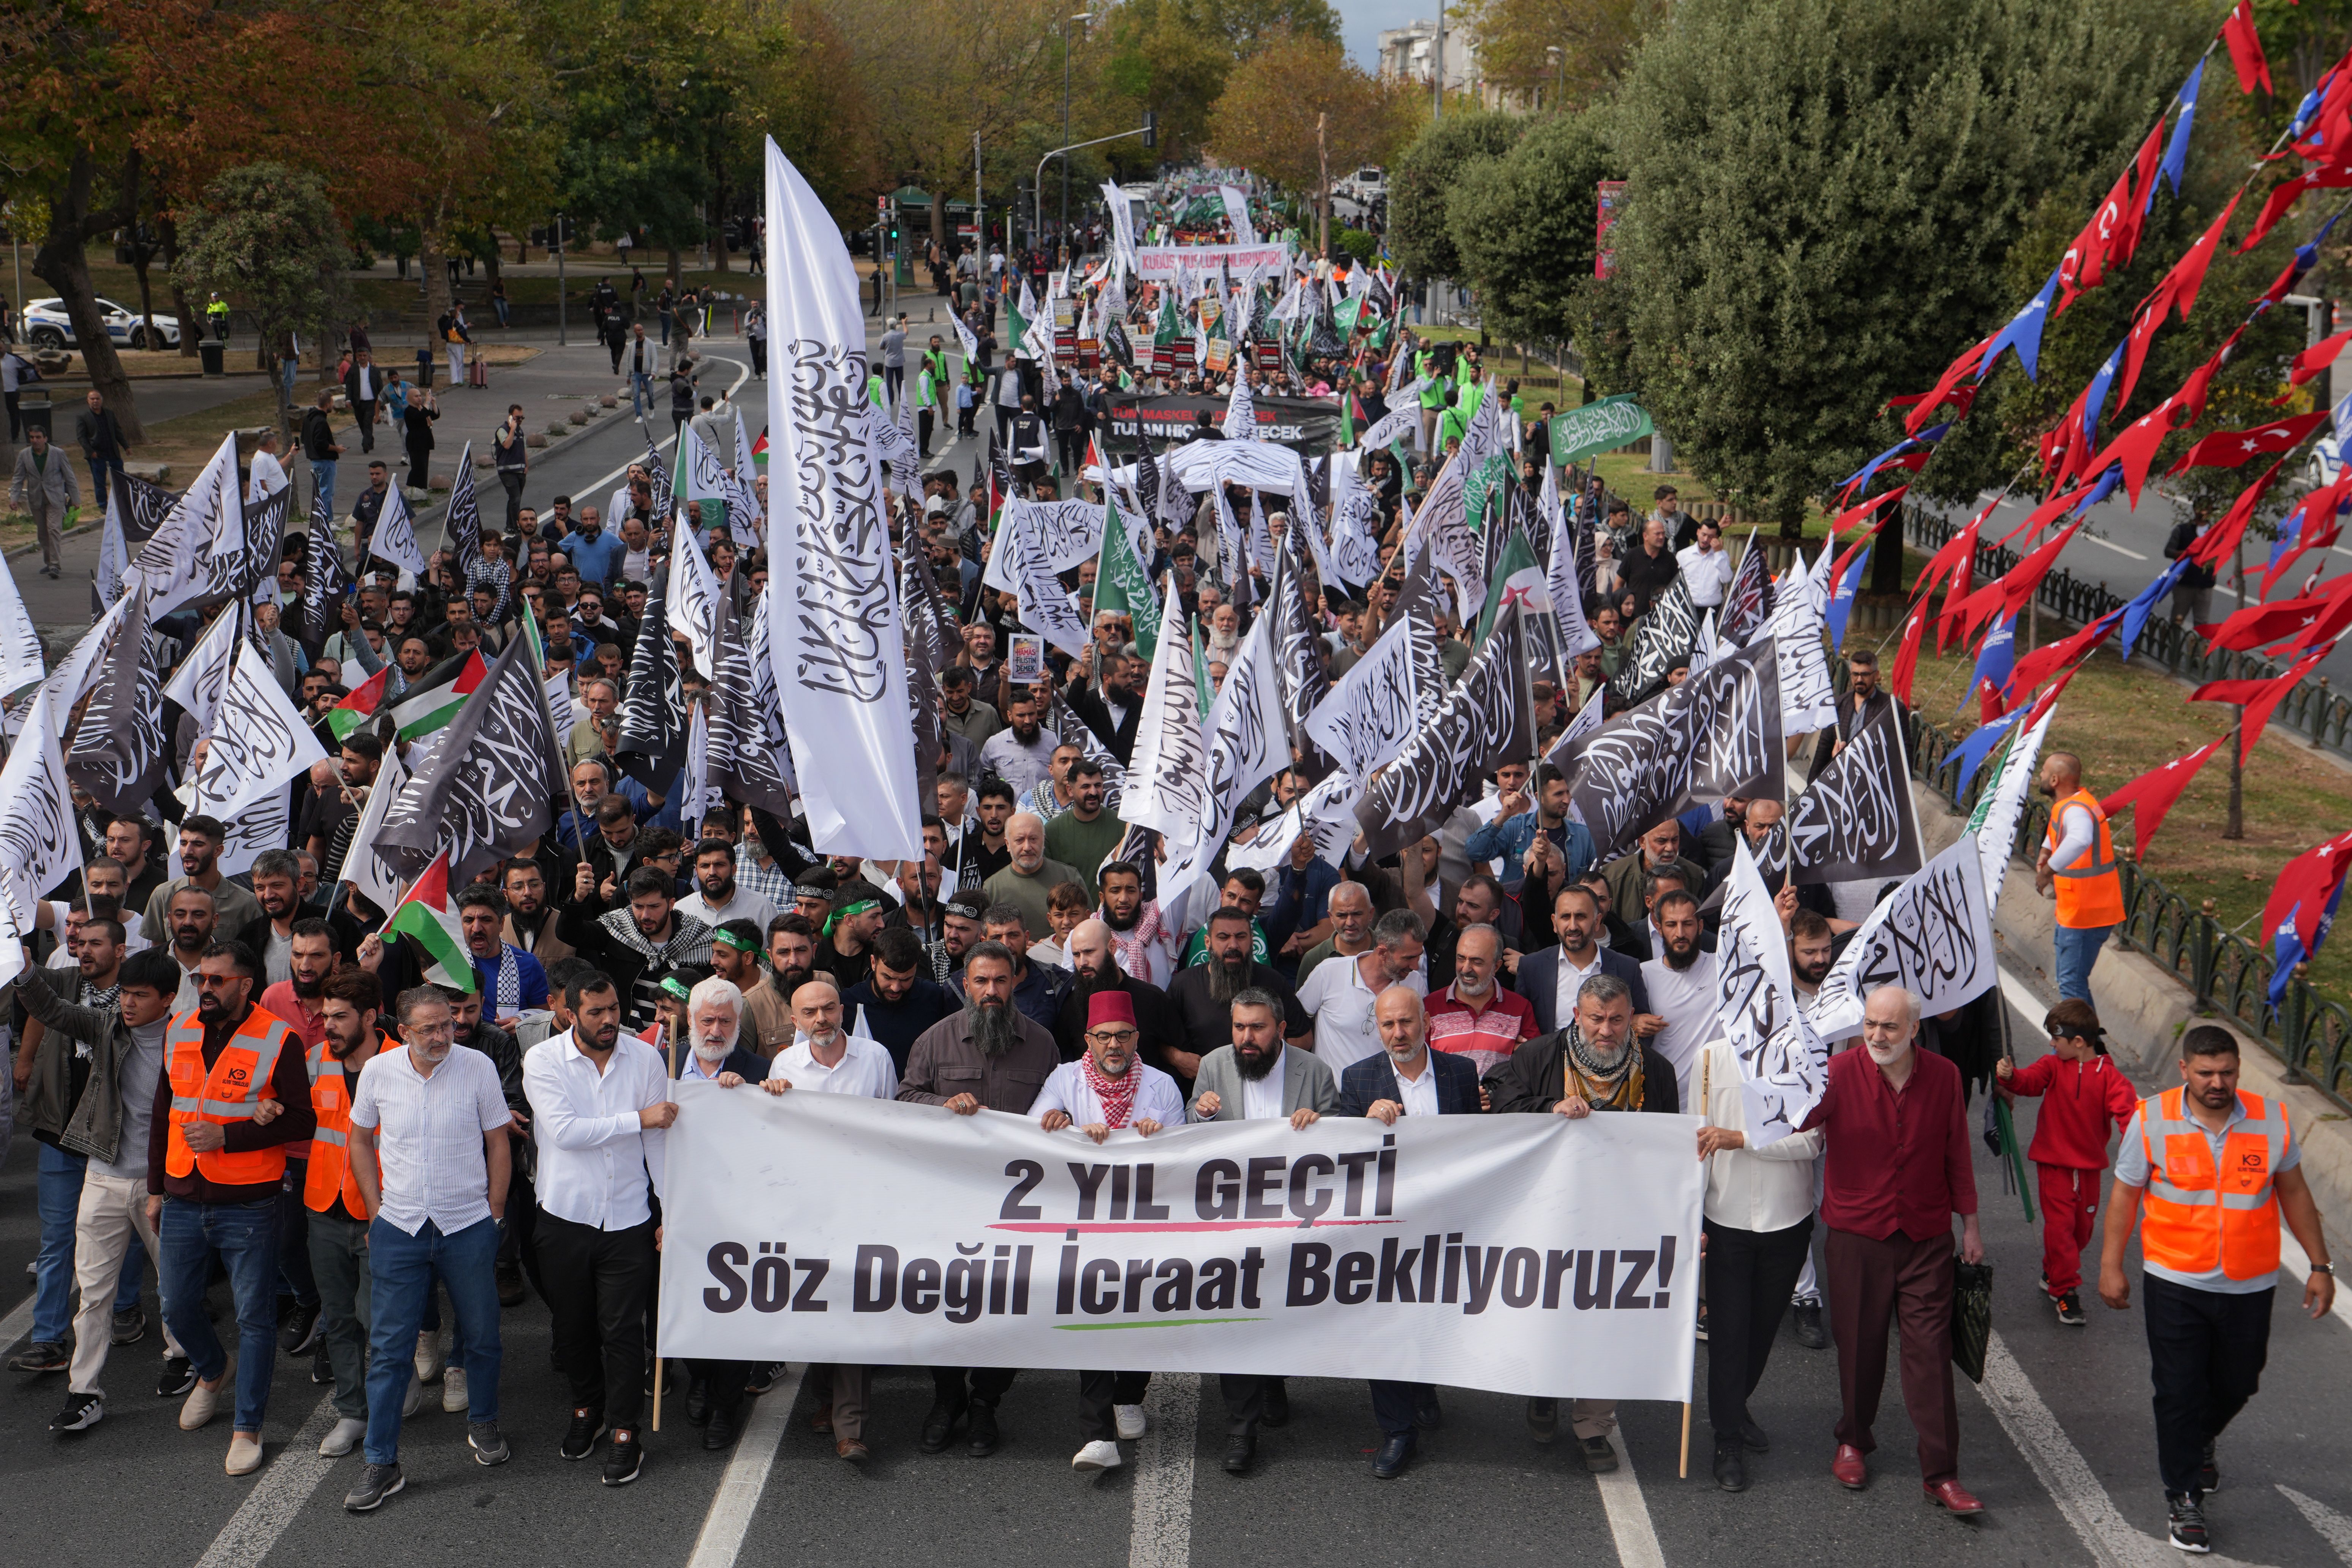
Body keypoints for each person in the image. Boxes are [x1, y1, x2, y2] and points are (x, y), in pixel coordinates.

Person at [2097, 1026, 2335, 1554]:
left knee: (2239, 1382)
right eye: (2206, 1073)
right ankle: (2183, 1496)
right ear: (2184, 1070)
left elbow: (2294, 1192)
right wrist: (2111, 1265)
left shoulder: (2271, 1120)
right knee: (2178, 1390)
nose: (2218, 1083)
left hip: (2250, 1284)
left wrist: (2321, 1265)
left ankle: (2199, 1438)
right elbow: (2124, 1196)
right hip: (2176, 1281)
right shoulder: (2151, 1119)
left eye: (2227, 1072)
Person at [1800, 986, 1983, 1514]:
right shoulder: (1837, 1074)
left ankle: (1942, 1473)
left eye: (1890, 1027)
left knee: (1931, 1356)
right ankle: (1854, 1440)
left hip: (1927, 1239)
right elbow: (1797, 1120)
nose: (1878, 1036)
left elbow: (1958, 1155)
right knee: (1860, 1348)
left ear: (1914, 1031)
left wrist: (1970, 1226)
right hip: (1857, 1238)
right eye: (1871, 1025)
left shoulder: (1945, 1078)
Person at [1487, 973, 1680, 1468]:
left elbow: (1669, 1152)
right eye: (1596, 1019)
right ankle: (1544, 1391)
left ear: (1631, 1019)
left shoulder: (1655, 1072)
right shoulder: (1537, 1058)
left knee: (1607, 1322)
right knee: (1550, 1314)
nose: (1607, 1031)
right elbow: (1501, 1112)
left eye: (1618, 1020)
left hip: (1623, 1219)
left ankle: (1595, 1426)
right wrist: (1549, 1109)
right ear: (1577, 1016)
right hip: (1549, 1216)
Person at [339, 985, 514, 1510]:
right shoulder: (378, 1072)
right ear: (403, 1031)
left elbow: (498, 1141)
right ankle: (381, 1461)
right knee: (391, 1351)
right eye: (431, 1028)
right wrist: (376, 1211)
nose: (444, 1035)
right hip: (401, 1226)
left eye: (449, 1024)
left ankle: (482, 1423)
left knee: (482, 1336)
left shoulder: (478, 1067)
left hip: (468, 1224)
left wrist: (496, 1213)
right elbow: (360, 1140)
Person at [147, 940, 315, 1476]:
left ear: (246, 984)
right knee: (175, 1307)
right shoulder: (180, 1029)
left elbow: (301, 1122)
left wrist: (228, 1135)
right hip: (180, 1195)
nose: (206, 989)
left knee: (256, 1318)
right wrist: (155, 1187)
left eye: (218, 980)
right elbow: (162, 1114)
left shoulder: (278, 1037)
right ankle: (213, 1370)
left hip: (250, 1203)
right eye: (201, 980)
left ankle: (249, 1427)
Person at [896, 943, 1059, 1456]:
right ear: (966, 985)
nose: (992, 992)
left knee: (1008, 1309)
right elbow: (903, 1102)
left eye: (1002, 982)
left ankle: (987, 1402)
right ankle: (948, 1400)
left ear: (1016, 983)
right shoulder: (934, 1041)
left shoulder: (1043, 1045)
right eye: (982, 982)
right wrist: (944, 1104)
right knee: (945, 1305)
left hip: (1018, 1211)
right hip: (948, 1204)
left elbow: (1061, 1111)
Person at [18, 950, 188, 1434]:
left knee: (174, 1284)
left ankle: (183, 1355)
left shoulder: (190, 1040)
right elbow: (51, 1009)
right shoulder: (106, 1027)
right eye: (126, 994)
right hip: (104, 1175)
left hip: (166, 1184)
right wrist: (25, 969)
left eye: (140, 996)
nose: (128, 1004)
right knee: (93, 1295)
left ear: (168, 999)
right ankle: (84, 1392)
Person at [523, 970, 674, 1487]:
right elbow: (564, 1134)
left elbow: (660, 1142)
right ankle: (586, 1408)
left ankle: (626, 1430)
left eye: (613, 1009)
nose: (610, 1021)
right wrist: (640, 1119)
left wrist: (670, 1210)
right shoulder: (543, 1061)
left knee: (623, 1331)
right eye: (596, 1013)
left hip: (630, 1218)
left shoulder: (647, 1058)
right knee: (573, 1327)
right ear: (570, 1014)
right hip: (565, 1216)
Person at [740, 977, 896, 1459]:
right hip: (807, 1207)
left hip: (862, 1204)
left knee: (854, 1308)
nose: (821, 1020)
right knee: (817, 1302)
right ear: (795, 1020)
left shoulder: (876, 1058)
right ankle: (827, 1397)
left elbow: (896, 1125)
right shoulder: (785, 1064)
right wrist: (769, 1096)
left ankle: (850, 1427)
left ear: (843, 1010)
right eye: (810, 1013)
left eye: (829, 1009)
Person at [1032, 991, 1185, 1474]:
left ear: (1137, 1038)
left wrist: (1158, 1137)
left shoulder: (1161, 1086)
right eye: (1104, 1037)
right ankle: (1096, 1435)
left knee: (1140, 1313)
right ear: (1088, 1040)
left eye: (1122, 1036)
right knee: (1094, 1318)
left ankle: (1129, 1395)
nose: (1113, 1045)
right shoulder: (1064, 1079)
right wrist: (1060, 1126)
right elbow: (1033, 1133)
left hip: (1145, 1225)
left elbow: (1186, 1156)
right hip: (1087, 1228)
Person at [1185, 985, 1335, 1473]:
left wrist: (1323, 1126)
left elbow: (1344, 1142)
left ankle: (1274, 1380)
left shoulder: (1315, 1072)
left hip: (1297, 1225)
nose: (1246, 1038)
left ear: (1281, 1029)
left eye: (1257, 1028)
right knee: (1237, 1317)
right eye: (1239, 1028)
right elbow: (1190, 1135)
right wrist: (1201, 1113)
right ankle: (1240, 1429)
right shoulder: (1213, 1065)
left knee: (1284, 1313)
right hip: (1232, 1222)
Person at [1336, 986, 1483, 1479]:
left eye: (1406, 1023)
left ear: (1427, 1022)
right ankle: (1397, 1431)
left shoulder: (1460, 1074)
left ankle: (1423, 1387)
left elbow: (1480, 1147)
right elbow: (1339, 1155)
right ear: (1377, 1029)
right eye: (1387, 1025)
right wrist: (1363, 1124)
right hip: (1385, 1231)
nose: (1398, 1034)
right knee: (1386, 1323)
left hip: (1445, 1221)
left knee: (1435, 1315)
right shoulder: (1357, 1080)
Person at [1695, 1023, 1823, 1491]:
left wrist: (1741, 1139)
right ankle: (1726, 1437)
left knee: (1762, 1332)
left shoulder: (1808, 1056)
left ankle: (1734, 1404)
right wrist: (1690, 1216)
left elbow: (1811, 1142)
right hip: (1725, 1217)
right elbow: (1697, 1142)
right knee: (1729, 1335)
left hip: (1787, 1219)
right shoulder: (1709, 1058)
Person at [1993, 999, 2139, 1327]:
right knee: (2060, 1231)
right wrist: (2010, 1076)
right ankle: (2065, 1290)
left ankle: (2054, 1269)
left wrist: (2140, 1146)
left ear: (2078, 1042)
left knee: (2082, 1232)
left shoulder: (2111, 1078)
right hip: (2054, 1167)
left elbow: (2129, 1116)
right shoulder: (2052, 1066)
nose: (2050, 1043)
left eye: (2055, 1038)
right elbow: (2028, 1082)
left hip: (2088, 1170)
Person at [302, 970, 392, 1462]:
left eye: (340, 1017)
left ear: (370, 1018)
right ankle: (352, 1411)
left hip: (385, 1212)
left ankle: (383, 1406)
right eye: (325, 1016)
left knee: (376, 1318)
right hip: (323, 1209)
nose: (328, 1026)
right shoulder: (317, 1060)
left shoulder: (403, 1059)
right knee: (338, 1319)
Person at [2034, 751, 2124, 1001]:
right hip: (2081, 909)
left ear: (2054, 781)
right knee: (2073, 983)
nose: (2039, 775)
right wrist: (2046, 848)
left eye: (2043, 772)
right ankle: (2088, 1039)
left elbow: (2079, 839)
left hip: (2086, 913)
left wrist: (2047, 872)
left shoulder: (2075, 810)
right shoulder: (2074, 803)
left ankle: (2084, 1041)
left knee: (2071, 985)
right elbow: (2064, 833)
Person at [1296, 909, 1427, 1078]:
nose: (1416, 966)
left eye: (1419, 957)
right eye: (1408, 958)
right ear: (1382, 953)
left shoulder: (1415, 981)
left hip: (1391, 1097)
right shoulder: (1327, 973)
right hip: (1334, 1098)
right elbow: (1296, 1028)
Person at [1516, 885, 1650, 1036]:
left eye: (1581, 917)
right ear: (1555, 922)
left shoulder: (1627, 968)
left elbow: (1642, 1027)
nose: (1573, 926)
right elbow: (1519, 1025)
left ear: (1597, 921)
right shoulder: (1532, 967)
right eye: (1566, 917)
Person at [1424, 923, 1538, 1081]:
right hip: (1447, 1104)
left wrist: (1523, 1054)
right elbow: (1419, 1068)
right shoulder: (1430, 1007)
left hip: (1500, 1104)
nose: (1465, 969)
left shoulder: (1520, 1008)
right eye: (1461, 959)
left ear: (1496, 967)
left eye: (1477, 962)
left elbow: (1535, 1064)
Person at [10, 423, 78, 579]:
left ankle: (55, 565)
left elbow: (70, 477)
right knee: (43, 533)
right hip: (36, 499)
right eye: (32, 438)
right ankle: (49, 562)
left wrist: (76, 499)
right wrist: (14, 498)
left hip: (55, 498)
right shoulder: (24, 455)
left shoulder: (58, 454)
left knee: (53, 529)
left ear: (45, 439)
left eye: (38, 437)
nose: (35, 440)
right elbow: (18, 477)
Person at [74, 386, 127, 523]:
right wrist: (91, 452)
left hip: (112, 452)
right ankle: (103, 505)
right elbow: (82, 437)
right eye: (92, 399)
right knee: (100, 481)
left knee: (120, 479)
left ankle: (122, 503)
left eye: (98, 399)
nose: (95, 401)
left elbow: (117, 431)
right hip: (97, 455)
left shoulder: (109, 414)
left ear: (102, 400)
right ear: (88, 401)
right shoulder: (83, 417)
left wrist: (126, 446)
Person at [1676, 518, 1736, 609]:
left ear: (1716, 538)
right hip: (1688, 608)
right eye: (1703, 535)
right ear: (1698, 532)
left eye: (1711, 537)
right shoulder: (1683, 555)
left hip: (1713, 608)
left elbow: (1727, 579)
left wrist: (1718, 554)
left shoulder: (1722, 556)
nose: (1705, 540)